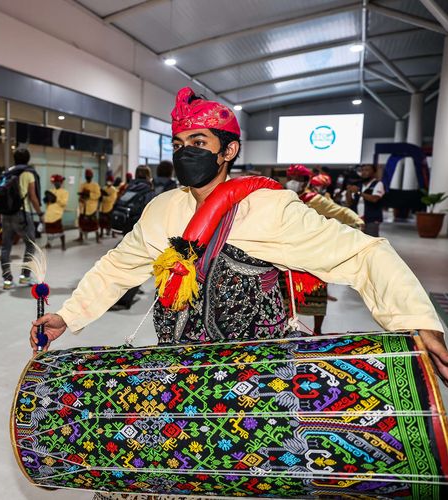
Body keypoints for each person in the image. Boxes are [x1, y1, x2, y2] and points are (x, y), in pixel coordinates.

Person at [31, 87, 446, 400]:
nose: (184, 153)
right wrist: (69, 316)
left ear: (228, 151)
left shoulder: (269, 208)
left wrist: (418, 320)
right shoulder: (162, 209)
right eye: (178, 144)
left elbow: (363, 252)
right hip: (179, 370)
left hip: (255, 379)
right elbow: (118, 266)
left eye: (198, 143)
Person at [285, 163, 364, 334]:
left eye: (297, 179)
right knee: (286, 294)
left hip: (312, 251)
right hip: (287, 251)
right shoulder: (283, 196)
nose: (293, 182)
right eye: (290, 178)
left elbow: (339, 211)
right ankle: (284, 327)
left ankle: (317, 331)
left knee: (317, 293)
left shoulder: (315, 199)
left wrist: (356, 220)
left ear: (305, 181)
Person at [1, 148, 43, 290]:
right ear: (28, 159)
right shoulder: (28, 173)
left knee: (6, 246)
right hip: (22, 214)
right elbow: (32, 196)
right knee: (31, 244)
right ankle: (25, 277)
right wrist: (40, 213)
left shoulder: (7, 173)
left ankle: (7, 281)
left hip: (6, 214)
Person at [347, 164, 385, 237]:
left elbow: (374, 199)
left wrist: (358, 192)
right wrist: (349, 191)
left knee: (371, 241)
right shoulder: (358, 185)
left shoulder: (378, 184)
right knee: (355, 241)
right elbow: (349, 203)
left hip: (371, 219)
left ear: (374, 173)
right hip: (356, 218)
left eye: (367, 170)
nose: (364, 172)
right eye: (362, 170)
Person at [43, 174, 69, 250]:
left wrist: (56, 199)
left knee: (60, 231)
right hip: (48, 214)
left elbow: (64, 203)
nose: (56, 183)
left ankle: (63, 245)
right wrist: (46, 199)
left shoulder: (65, 192)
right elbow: (46, 201)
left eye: (57, 182)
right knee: (48, 231)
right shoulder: (51, 191)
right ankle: (48, 243)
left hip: (57, 214)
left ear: (61, 182)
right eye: (54, 182)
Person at [76, 168, 101, 243]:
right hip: (83, 207)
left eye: (89, 176)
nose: (88, 177)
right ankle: (80, 237)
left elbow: (98, 195)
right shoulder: (82, 185)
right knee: (81, 222)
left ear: (92, 176)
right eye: (87, 176)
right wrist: (81, 198)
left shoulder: (95, 185)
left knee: (94, 223)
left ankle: (97, 238)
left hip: (92, 207)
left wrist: (89, 194)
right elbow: (80, 194)